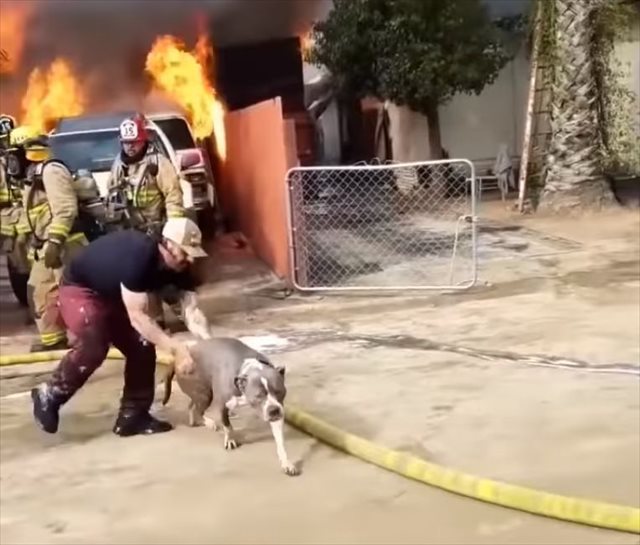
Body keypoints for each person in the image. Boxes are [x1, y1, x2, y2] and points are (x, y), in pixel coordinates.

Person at [31, 217, 213, 437]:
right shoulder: (140, 257)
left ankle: (133, 416)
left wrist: (209, 343)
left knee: (143, 345)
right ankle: (49, 394)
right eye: (185, 252)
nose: (189, 260)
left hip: (113, 293)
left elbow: (191, 310)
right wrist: (176, 348)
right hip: (81, 289)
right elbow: (138, 317)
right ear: (169, 244)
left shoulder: (180, 266)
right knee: (94, 342)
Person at [7, 127, 88, 351]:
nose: (10, 160)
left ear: (27, 152)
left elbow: (65, 209)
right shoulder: (31, 177)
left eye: (14, 153)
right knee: (39, 292)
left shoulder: (51, 171)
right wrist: (25, 240)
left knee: (76, 295)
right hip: (45, 247)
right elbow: (32, 215)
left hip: (66, 244)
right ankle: (54, 340)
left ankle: (96, 336)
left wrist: (54, 241)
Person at [107, 113, 187, 328]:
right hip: (134, 233)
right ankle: (157, 321)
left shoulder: (158, 164)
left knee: (168, 280)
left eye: (134, 143)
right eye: (126, 143)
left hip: (158, 230)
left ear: (143, 140)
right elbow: (112, 192)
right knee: (144, 280)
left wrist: (174, 231)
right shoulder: (119, 165)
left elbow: (173, 196)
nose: (130, 147)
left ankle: (188, 316)